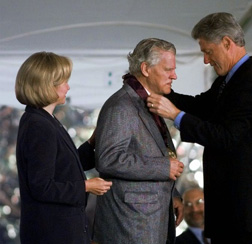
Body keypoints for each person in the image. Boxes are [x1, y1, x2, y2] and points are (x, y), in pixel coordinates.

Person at [147, 12, 252, 244]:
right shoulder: (231, 79)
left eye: (208, 51)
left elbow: (227, 137)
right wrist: (163, 93)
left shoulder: (251, 84)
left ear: (227, 43)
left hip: (246, 214)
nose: (206, 60)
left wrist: (175, 115)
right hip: (230, 211)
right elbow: (201, 106)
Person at [92, 38, 184, 244]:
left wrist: (172, 194)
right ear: (146, 68)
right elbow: (108, 159)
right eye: (168, 69)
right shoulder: (121, 107)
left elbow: (156, 152)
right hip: (131, 225)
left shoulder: (146, 101)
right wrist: (163, 168)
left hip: (149, 220)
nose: (174, 75)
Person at [15, 51, 112, 244]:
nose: (68, 87)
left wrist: (91, 145)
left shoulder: (43, 120)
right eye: (63, 82)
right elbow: (42, 186)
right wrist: (86, 186)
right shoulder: (39, 126)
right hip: (53, 232)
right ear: (46, 85)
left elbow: (62, 167)